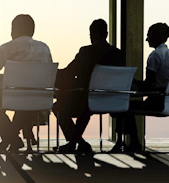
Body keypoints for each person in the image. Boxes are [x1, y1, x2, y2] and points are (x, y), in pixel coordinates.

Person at [51, 19, 125, 154]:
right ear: (106, 34)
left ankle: (77, 142)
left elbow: (69, 72)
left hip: (87, 100)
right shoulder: (118, 54)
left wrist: (52, 73)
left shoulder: (86, 52)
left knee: (57, 107)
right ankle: (77, 142)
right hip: (112, 101)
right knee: (84, 104)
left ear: (91, 35)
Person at [0, 14, 52, 153]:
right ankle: (19, 137)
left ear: (14, 30)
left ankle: (12, 139)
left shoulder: (7, 48)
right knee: (24, 106)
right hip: (40, 100)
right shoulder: (45, 48)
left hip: (15, 97)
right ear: (32, 31)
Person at [112, 22, 169, 153]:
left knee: (122, 107)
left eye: (149, 36)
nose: (146, 39)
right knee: (126, 107)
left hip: (156, 100)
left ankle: (125, 142)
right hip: (167, 99)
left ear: (156, 37)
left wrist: (132, 81)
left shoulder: (155, 56)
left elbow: (148, 85)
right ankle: (132, 142)